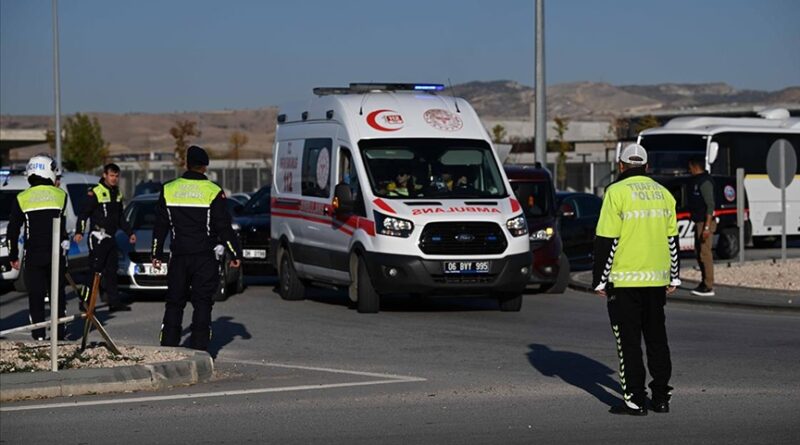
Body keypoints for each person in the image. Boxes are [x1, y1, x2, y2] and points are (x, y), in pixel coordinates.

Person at [592, 143, 680, 416]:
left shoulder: (615, 192)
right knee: (657, 339)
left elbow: (607, 240)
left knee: (628, 342)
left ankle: (635, 400)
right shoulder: (664, 194)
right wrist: (674, 276)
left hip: (625, 280)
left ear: (620, 165)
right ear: (646, 166)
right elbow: (672, 239)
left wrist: (600, 280)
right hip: (656, 281)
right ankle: (662, 397)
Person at [151, 145, 242, 351]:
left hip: (179, 257)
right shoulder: (213, 191)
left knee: (174, 302)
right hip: (203, 257)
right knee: (202, 303)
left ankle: (168, 349)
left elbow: (160, 226)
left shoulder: (168, 189)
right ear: (205, 167)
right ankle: (200, 350)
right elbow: (223, 227)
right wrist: (235, 252)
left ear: (186, 164)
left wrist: (156, 253)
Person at [6, 155, 69, 340]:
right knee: (57, 296)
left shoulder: (22, 197)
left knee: (36, 296)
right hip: (56, 255)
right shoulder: (61, 195)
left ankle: (39, 336)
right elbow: (63, 227)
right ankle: (60, 335)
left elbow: (13, 230)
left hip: (33, 255)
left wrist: (12, 254)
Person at [74, 163, 136, 312]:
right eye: (111, 175)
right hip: (97, 237)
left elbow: (120, 217)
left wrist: (129, 233)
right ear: (104, 175)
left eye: (116, 176)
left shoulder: (117, 193)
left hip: (110, 237)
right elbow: (84, 214)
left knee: (111, 270)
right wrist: (79, 232)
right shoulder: (95, 192)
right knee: (95, 271)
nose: (114, 179)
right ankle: (86, 302)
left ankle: (113, 302)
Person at [688, 155, 715, 297]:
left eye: (690, 167)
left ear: (695, 166)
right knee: (699, 253)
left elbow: (710, 205)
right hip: (698, 221)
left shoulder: (704, 182)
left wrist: (706, 227)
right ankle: (704, 282)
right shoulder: (695, 181)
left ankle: (708, 285)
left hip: (705, 223)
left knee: (705, 254)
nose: (689, 170)